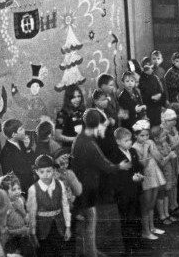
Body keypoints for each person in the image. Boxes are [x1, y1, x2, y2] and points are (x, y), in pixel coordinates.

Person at [71, 109, 132, 257]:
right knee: (90, 223)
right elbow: (104, 164)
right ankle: (91, 253)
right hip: (87, 187)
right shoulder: (88, 143)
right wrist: (119, 166)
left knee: (89, 222)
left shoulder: (82, 138)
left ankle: (90, 249)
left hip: (83, 186)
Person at [27, 155, 72, 257]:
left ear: (54, 170)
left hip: (59, 227)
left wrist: (68, 227)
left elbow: (65, 206)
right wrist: (33, 233)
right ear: (36, 172)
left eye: (48, 171)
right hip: (42, 230)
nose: (45, 175)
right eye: (42, 172)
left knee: (61, 253)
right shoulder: (33, 189)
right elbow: (32, 214)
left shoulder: (60, 184)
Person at [109, 127, 145, 256]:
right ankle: (128, 246)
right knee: (126, 219)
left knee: (137, 215)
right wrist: (131, 179)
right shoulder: (114, 155)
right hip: (123, 193)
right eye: (126, 140)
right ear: (118, 141)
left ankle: (138, 241)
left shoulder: (133, 151)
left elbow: (138, 166)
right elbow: (115, 176)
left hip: (135, 190)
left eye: (130, 140)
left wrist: (140, 174)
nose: (129, 142)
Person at [131, 119, 165, 241]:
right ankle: (145, 231)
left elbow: (159, 157)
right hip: (145, 176)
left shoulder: (150, 142)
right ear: (135, 135)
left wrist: (153, 148)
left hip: (154, 173)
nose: (145, 138)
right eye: (142, 135)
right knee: (146, 205)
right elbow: (143, 165)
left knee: (152, 204)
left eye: (146, 135)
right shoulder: (134, 147)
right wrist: (146, 150)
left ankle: (152, 227)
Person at [0, 173, 32, 256]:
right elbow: (3, 231)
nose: (17, 192)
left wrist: (22, 211)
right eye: (13, 189)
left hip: (24, 237)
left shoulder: (21, 200)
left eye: (19, 188)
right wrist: (21, 230)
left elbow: (27, 220)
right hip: (11, 241)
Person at [0, 118, 36, 192]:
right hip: (21, 188)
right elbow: (10, 177)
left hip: (32, 183)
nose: (24, 130)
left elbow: (34, 160)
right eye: (21, 129)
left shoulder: (22, 143)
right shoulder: (5, 153)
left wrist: (28, 148)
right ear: (14, 134)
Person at [140, 57, 167, 127]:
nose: (150, 69)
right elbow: (140, 95)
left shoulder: (155, 78)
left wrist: (160, 96)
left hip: (157, 107)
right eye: (147, 67)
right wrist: (151, 97)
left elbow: (161, 91)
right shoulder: (140, 79)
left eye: (151, 67)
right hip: (147, 108)